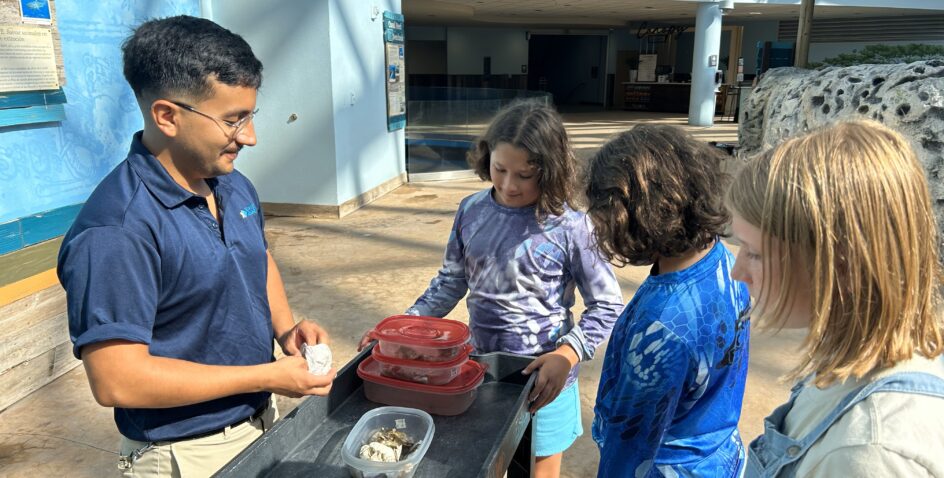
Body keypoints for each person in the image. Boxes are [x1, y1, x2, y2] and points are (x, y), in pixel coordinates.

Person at [57, 15, 334, 477]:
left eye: (250, 115)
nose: (250, 136)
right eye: (232, 120)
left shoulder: (232, 184)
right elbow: (116, 380)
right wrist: (266, 375)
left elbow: (257, 258)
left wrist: (287, 331)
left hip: (259, 420)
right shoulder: (116, 231)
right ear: (167, 116)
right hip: (185, 452)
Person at [360, 101, 623, 478]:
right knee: (489, 460)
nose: (509, 185)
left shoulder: (572, 227)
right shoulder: (471, 211)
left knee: (539, 466)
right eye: (500, 170)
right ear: (488, 159)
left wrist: (569, 352)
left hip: (546, 377)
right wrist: (402, 328)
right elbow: (450, 281)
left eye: (525, 175)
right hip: (480, 370)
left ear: (550, 172)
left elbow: (608, 305)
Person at [728, 120, 944, 477]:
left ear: (840, 267)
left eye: (753, 253)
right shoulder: (850, 361)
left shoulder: (869, 454)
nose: (738, 273)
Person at [585, 125, 752, 477]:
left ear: (635, 218)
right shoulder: (726, 262)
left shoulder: (659, 329)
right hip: (719, 456)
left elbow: (630, 446)